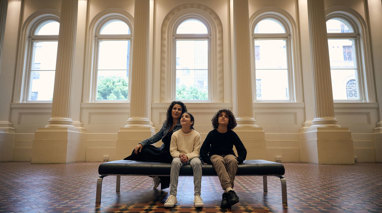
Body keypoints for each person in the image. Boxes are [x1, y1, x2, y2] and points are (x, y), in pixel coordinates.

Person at [124, 101, 187, 190]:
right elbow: (157, 136)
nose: (176, 111)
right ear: (171, 110)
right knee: (142, 149)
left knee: (145, 153)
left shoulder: (184, 124)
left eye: (179, 109)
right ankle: (155, 175)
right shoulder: (167, 123)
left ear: (182, 112)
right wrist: (141, 143)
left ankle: (126, 161)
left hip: (172, 154)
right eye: (174, 108)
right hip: (163, 150)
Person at [200, 109, 247, 209]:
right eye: (221, 115)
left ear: (229, 120)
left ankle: (227, 193)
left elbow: (242, 150)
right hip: (215, 155)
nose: (223, 117)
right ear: (217, 119)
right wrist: (209, 161)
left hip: (228, 154)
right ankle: (230, 190)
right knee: (218, 160)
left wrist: (239, 159)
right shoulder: (212, 134)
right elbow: (203, 151)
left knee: (233, 160)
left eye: (226, 116)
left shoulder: (232, 134)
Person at [164, 112, 203, 208]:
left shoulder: (196, 134)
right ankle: (173, 195)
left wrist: (187, 156)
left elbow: (196, 152)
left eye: (186, 117)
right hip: (179, 157)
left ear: (191, 122)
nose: (183, 118)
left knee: (197, 162)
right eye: (182, 117)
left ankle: (197, 195)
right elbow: (172, 150)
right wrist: (180, 155)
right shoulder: (175, 134)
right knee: (175, 162)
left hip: (192, 158)